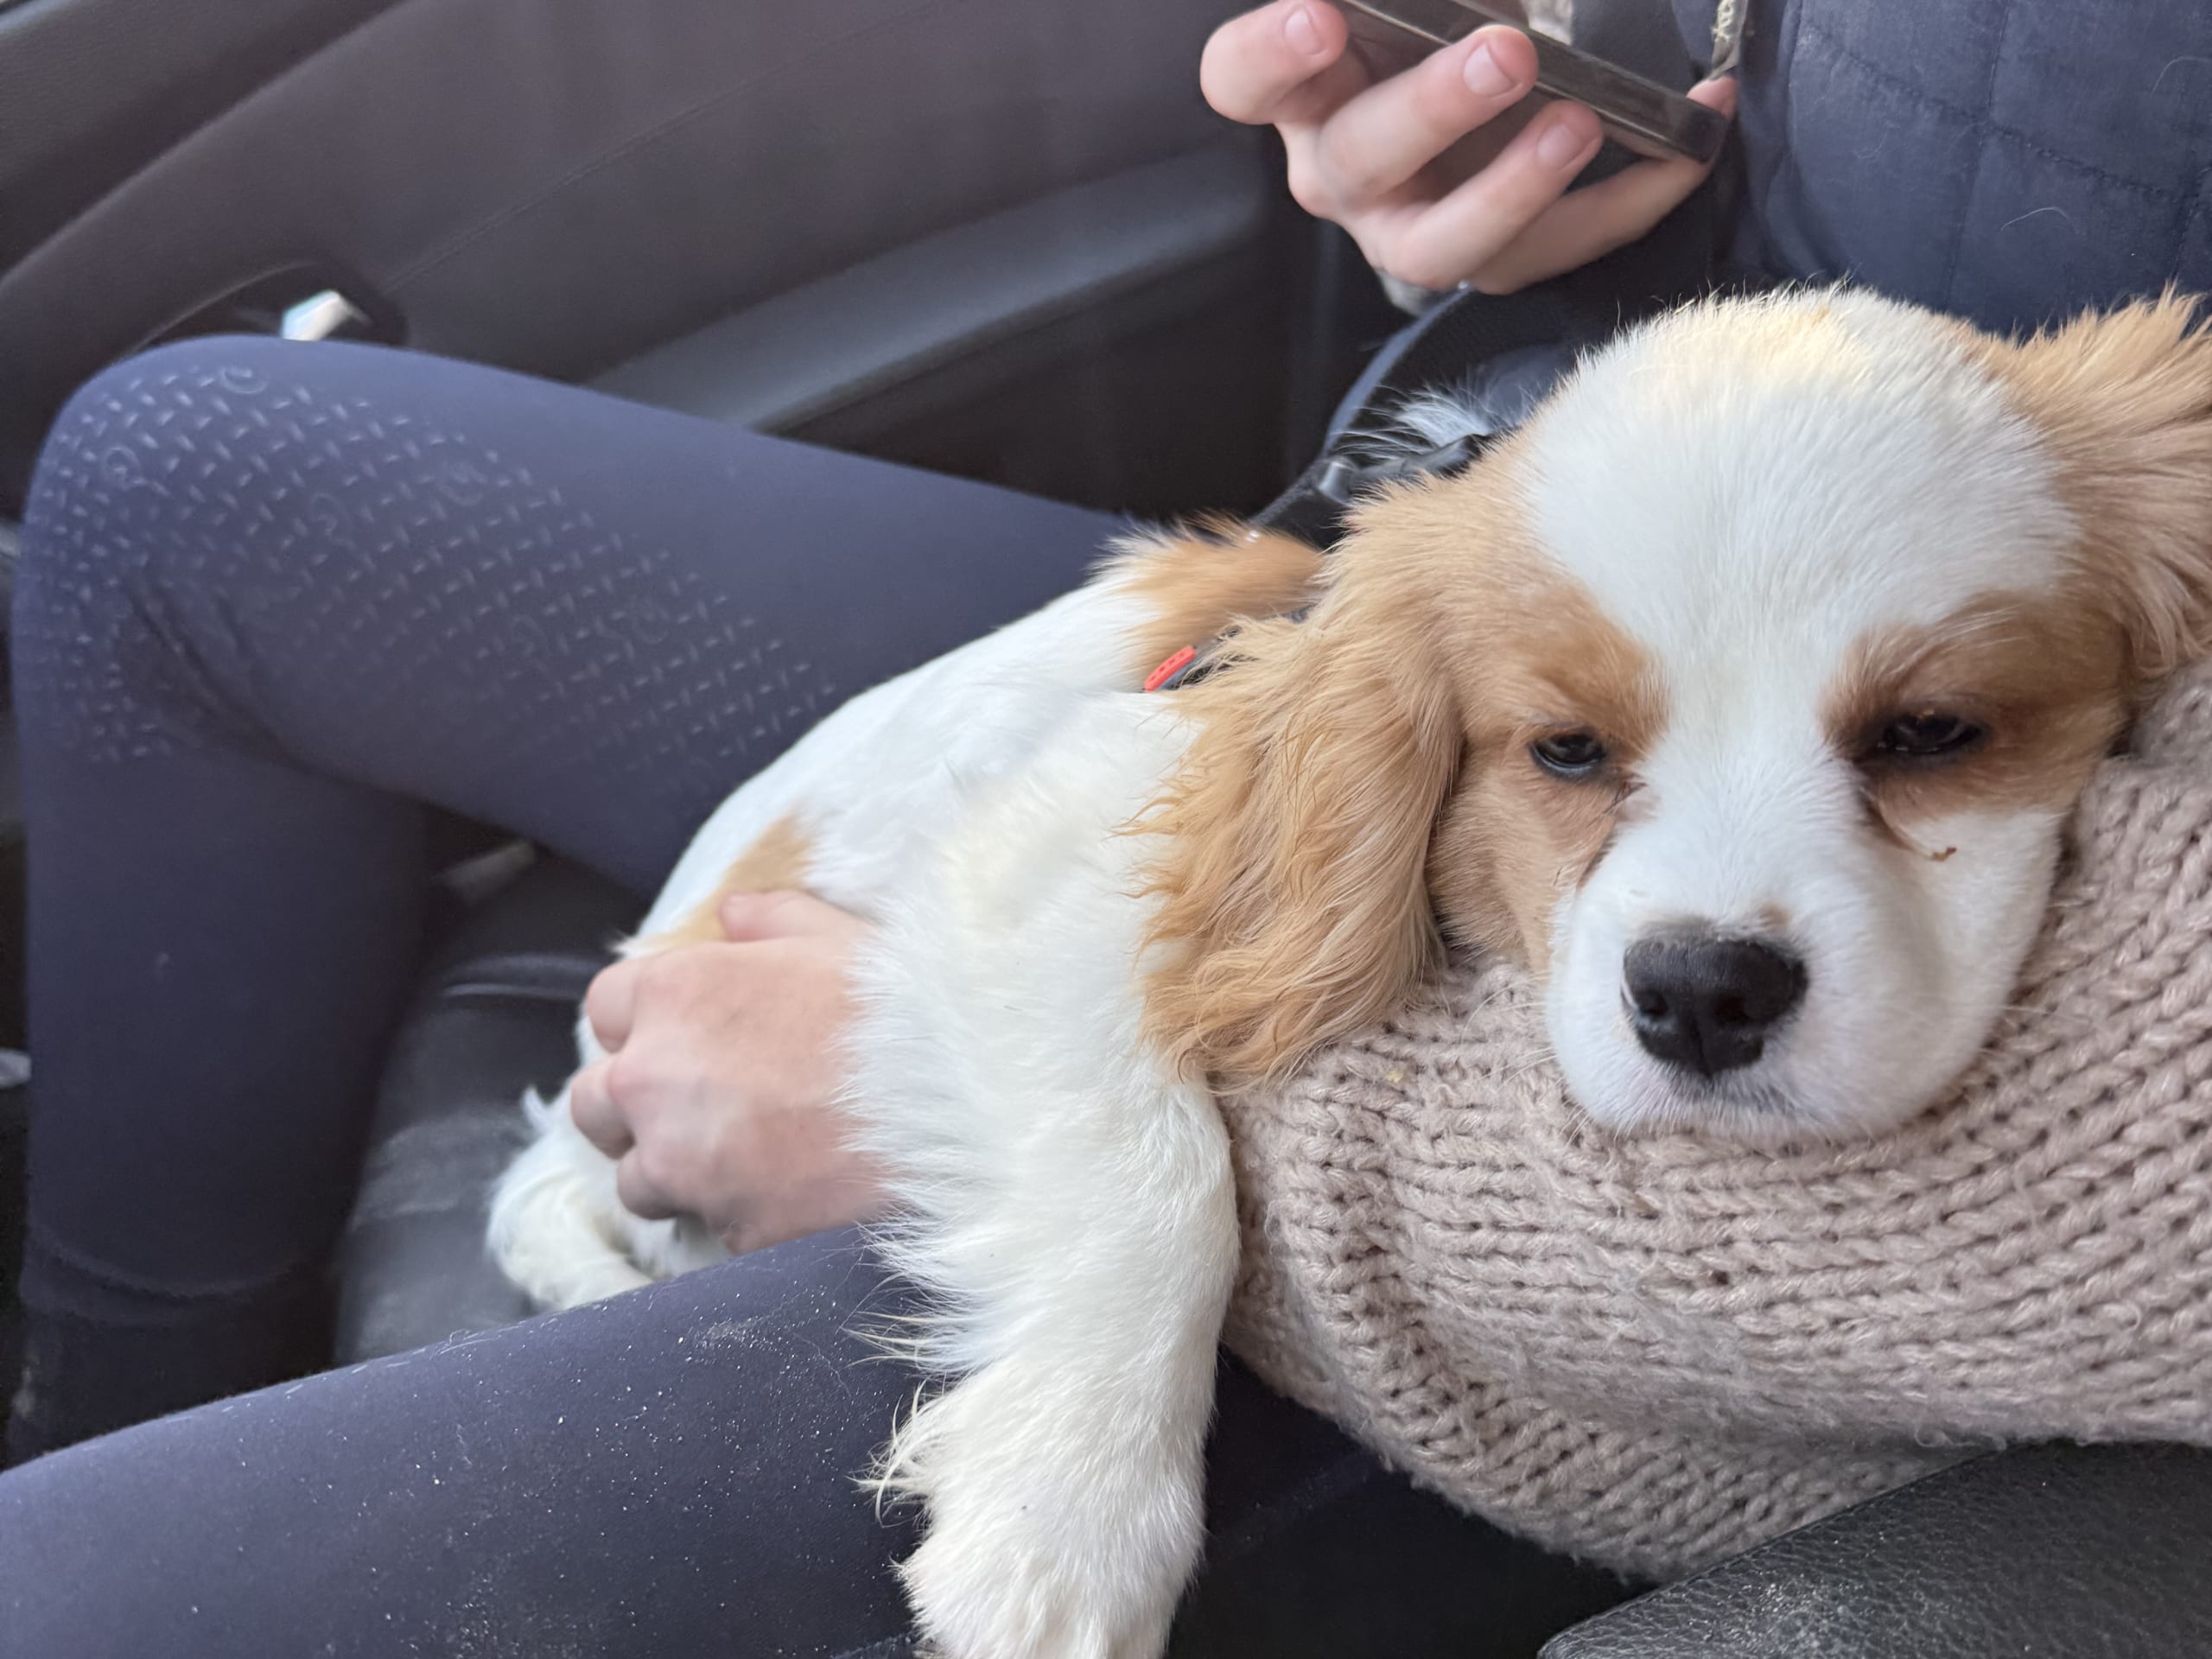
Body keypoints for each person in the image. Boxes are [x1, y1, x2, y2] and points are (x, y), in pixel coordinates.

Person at [5, 1, 2210, 1653]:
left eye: (1926, 740)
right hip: (1546, 530)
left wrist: (1131, 1161)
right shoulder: (1428, 676)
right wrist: (1636, 134)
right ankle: (89, 1376)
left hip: (1632, 1304)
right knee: (184, 478)